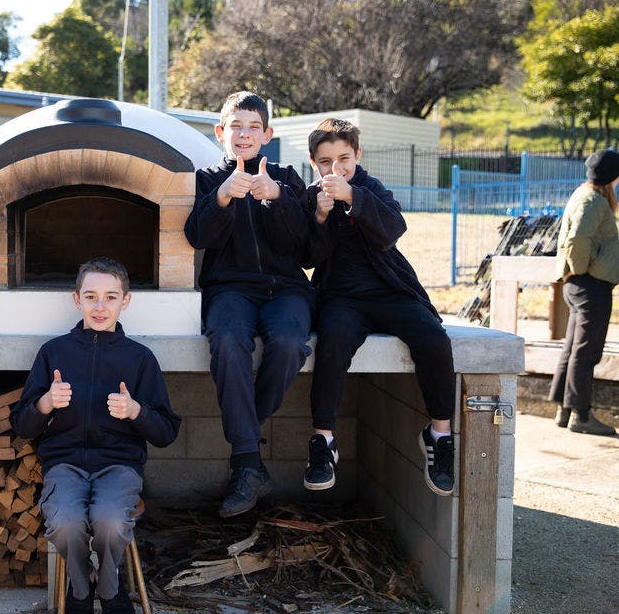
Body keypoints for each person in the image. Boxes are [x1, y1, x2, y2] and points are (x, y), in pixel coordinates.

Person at [10, 257, 181, 614]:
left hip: (118, 466)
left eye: (110, 297)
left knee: (108, 520)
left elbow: (167, 432)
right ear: (76, 300)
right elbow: (22, 425)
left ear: (126, 301)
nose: (100, 307)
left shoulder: (139, 359)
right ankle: (80, 590)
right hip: (65, 464)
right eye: (91, 296)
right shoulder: (54, 353)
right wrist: (45, 403)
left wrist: (136, 411)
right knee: (67, 523)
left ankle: (110, 589)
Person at [302, 118, 456, 496]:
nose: (335, 168)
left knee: (433, 337)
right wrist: (320, 216)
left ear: (358, 155)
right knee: (333, 341)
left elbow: (392, 231)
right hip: (341, 296)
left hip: (390, 290)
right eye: (325, 162)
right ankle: (323, 440)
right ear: (312, 163)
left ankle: (439, 434)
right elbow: (306, 257)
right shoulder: (311, 197)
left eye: (343, 158)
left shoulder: (371, 189)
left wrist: (353, 198)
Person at [183, 91, 313, 517]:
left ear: (267, 135)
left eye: (254, 127)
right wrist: (222, 198)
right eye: (235, 126)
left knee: (291, 343)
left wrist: (277, 199)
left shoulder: (288, 177)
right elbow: (197, 238)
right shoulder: (205, 179)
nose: (244, 134)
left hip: (286, 289)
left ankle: (245, 455)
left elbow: (304, 247)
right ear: (221, 132)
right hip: (229, 290)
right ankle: (248, 462)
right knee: (226, 341)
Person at [549, 149, 619, 436]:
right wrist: (580, 269)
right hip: (590, 285)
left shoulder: (585, 193)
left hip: (581, 285)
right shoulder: (593, 199)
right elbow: (578, 238)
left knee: (573, 349)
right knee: (586, 353)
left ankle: (564, 410)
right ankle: (581, 415)